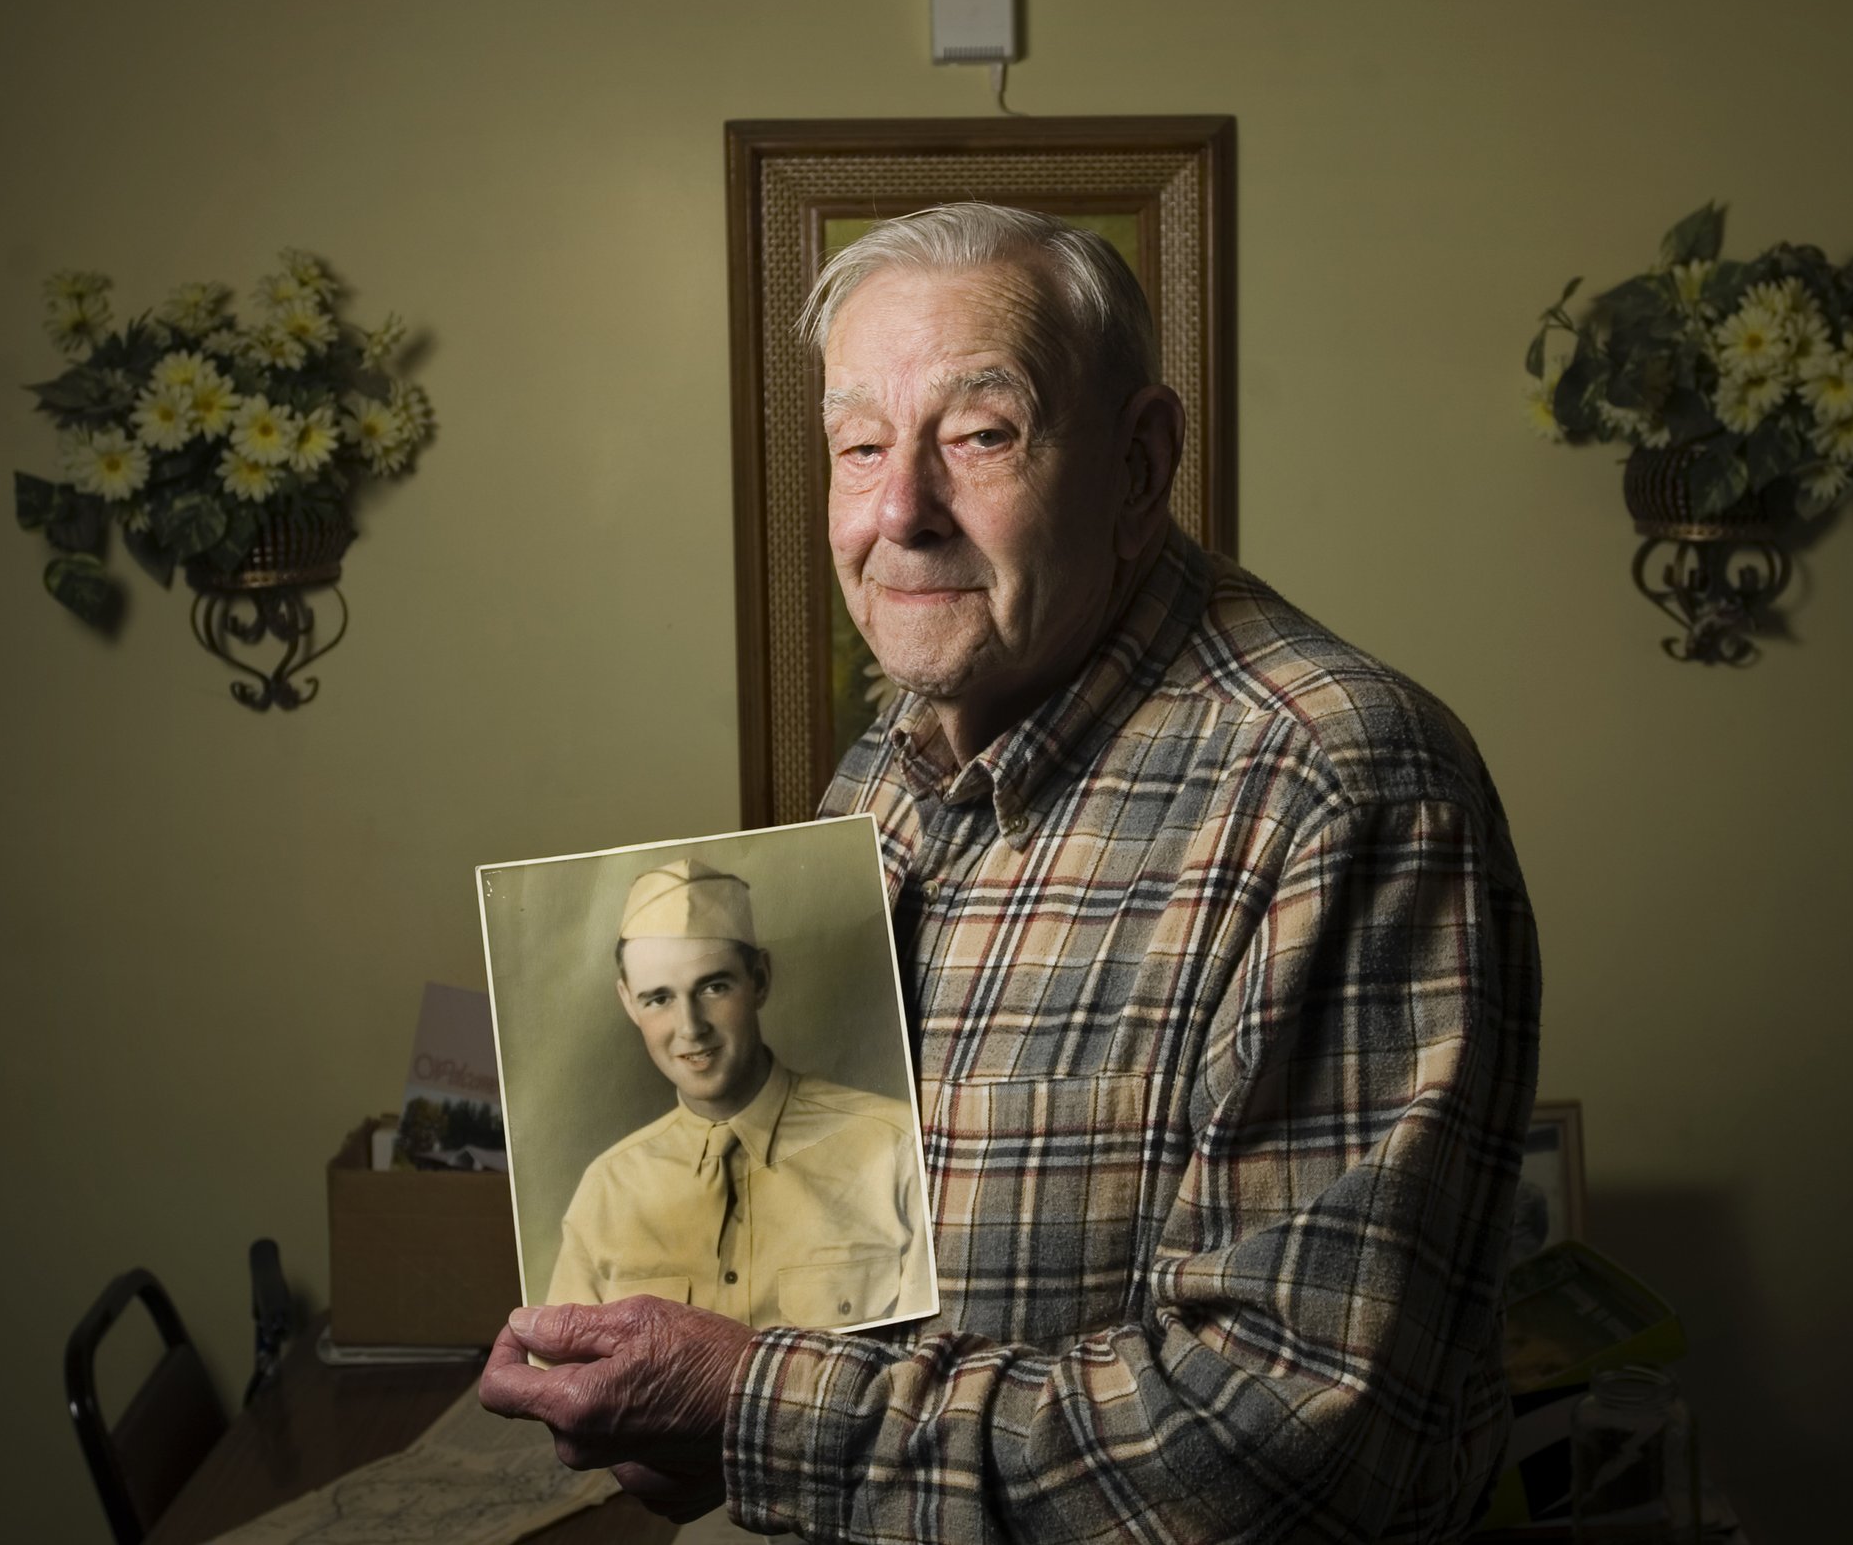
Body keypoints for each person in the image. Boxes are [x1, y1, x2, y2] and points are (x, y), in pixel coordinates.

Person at [482, 203, 1542, 1543]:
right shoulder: (888, 758)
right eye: (861, 447)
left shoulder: (1334, 784)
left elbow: (1285, 1442)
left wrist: (752, 1402)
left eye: (981, 435)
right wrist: (694, 1404)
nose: (901, 510)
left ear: (1140, 459)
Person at [541, 856, 930, 1329]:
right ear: (628, 1001)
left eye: (713, 987)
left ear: (760, 980)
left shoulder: (897, 1147)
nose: (690, 1027)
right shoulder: (606, 1190)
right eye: (659, 998)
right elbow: (563, 1386)